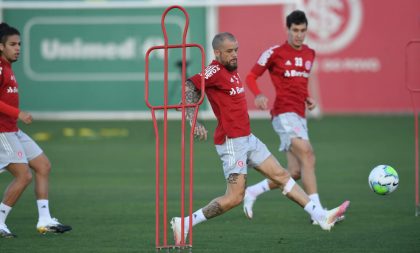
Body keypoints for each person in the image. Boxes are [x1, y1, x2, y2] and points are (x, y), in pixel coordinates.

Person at [170, 32, 349, 245]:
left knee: (282, 175)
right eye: (229, 51)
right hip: (232, 142)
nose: (235, 55)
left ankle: (321, 217)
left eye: (236, 50)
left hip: (248, 138)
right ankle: (185, 223)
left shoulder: (230, 69)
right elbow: (189, 87)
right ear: (217, 53)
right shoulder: (214, 70)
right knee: (235, 197)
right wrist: (193, 119)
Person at [243, 10, 334, 223]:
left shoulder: (310, 54)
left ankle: (253, 191)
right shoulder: (275, 53)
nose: (299, 35)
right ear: (288, 29)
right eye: (295, 30)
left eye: (303, 30)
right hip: (283, 113)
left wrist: (308, 98)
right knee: (308, 154)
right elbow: (250, 76)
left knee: (294, 172)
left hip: (299, 115)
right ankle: (318, 213)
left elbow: (298, 84)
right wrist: (258, 94)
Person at [0, 23, 71, 238]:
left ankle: (44, 220)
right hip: (2, 132)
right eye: (12, 44)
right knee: (24, 176)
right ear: (0, 46)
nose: (18, 48)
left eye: (19, 44)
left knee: (43, 165)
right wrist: (18, 113)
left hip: (13, 130)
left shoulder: (8, 68)